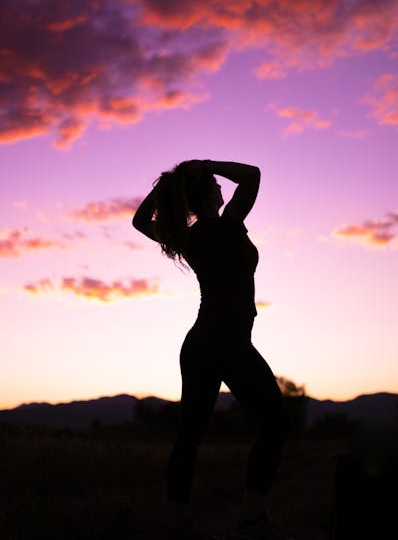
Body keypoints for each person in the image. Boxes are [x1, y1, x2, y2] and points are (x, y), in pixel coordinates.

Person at [133, 159, 290, 540]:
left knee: (190, 436)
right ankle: (252, 519)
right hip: (228, 339)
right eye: (214, 183)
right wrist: (200, 165)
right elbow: (252, 174)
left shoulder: (187, 236)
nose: (222, 186)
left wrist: (172, 187)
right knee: (275, 423)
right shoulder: (228, 223)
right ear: (206, 194)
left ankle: (178, 523)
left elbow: (140, 221)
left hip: (204, 341)